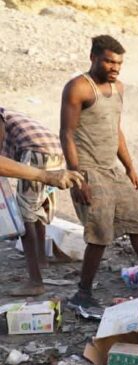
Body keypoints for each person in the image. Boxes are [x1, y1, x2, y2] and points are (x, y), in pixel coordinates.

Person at [60, 35, 138, 312]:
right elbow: (66, 133)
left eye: (119, 63)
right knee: (100, 233)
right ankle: (83, 293)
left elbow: (116, 130)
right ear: (93, 57)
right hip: (89, 170)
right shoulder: (79, 87)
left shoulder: (119, 88)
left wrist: (130, 167)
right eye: (108, 61)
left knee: (137, 226)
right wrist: (76, 177)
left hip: (112, 169)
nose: (115, 68)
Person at [0, 108, 85, 296]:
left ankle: (35, 281)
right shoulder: (9, 111)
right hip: (54, 150)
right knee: (35, 209)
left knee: (24, 217)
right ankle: (41, 259)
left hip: (36, 152)